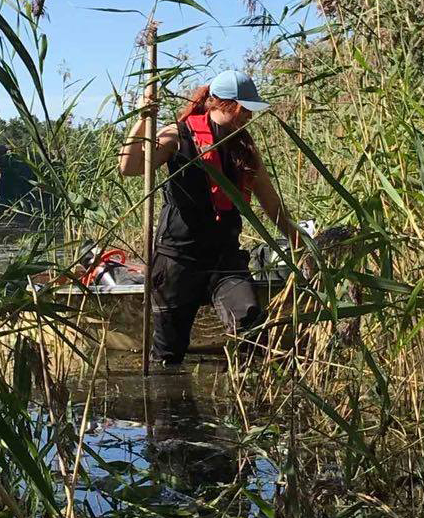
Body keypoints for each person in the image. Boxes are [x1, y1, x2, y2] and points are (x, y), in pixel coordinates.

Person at [119, 69, 304, 366]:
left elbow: (271, 203)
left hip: (225, 259)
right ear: (223, 104)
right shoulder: (176, 135)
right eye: (244, 110)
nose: (248, 117)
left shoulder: (244, 147)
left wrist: (300, 242)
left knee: (250, 324)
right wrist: (142, 120)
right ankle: (169, 409)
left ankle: (248, 403)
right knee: (168, 355)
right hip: (177, 259)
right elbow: (129, 168)